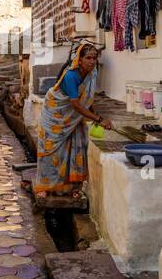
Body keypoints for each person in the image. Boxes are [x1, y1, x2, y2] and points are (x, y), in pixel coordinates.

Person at [34, 42, 113, 199]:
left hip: (73, 116)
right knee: (51, 151)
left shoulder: (92, 74)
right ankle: (45, 186)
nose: (92, 61)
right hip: (55, 113)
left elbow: (87, 99)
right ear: (80, 59)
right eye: (88, 58)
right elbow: (75, 104)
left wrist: (96, 114)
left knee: (76, 146)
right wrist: (99, 119)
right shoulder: (71, 76)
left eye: (95, 58)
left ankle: (72, 188)